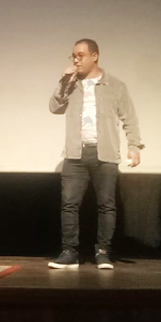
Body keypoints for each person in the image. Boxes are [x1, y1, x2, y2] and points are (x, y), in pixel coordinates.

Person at [48, 39, 143, 270]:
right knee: (69, 204)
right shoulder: (70, 84)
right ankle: (70, 252)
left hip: (105, 153)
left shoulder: (115, 85)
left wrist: (134, 145)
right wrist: (63, 82)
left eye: (80, 55)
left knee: (106, 205)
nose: (76, 60)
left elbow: (128, 116)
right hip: (75, 154)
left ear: (95, 56)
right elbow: (54, 107)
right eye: (73, 56)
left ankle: (103, 252)